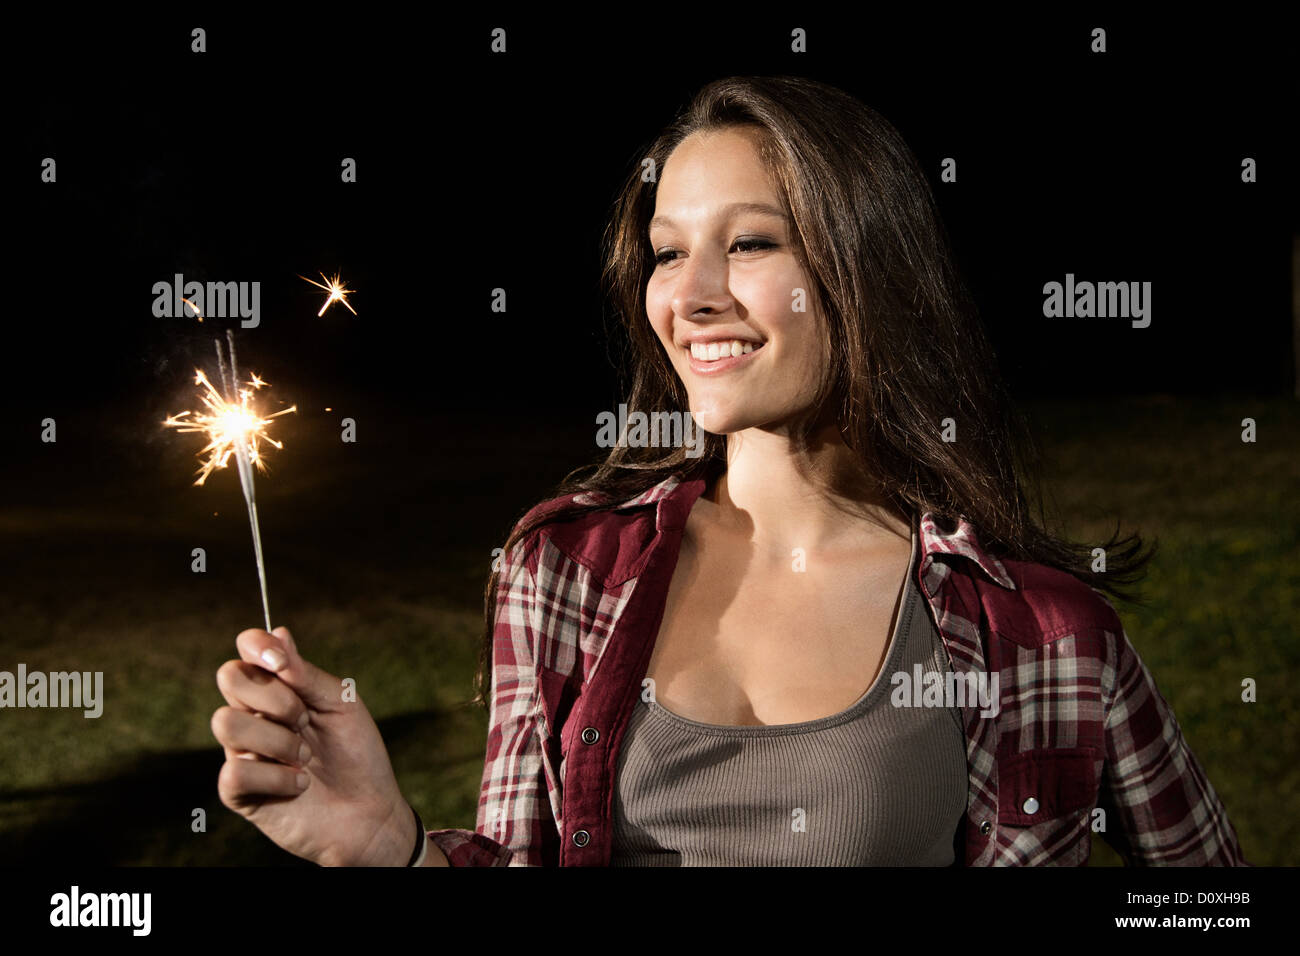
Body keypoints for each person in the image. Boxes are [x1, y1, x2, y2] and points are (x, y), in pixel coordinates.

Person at [210, 75, 1249, 867]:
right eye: (667, 253)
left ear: (866, 272)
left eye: (748, 243)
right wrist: (392, 846)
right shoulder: (565, 569)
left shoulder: (1042, 633)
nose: (690, 295)